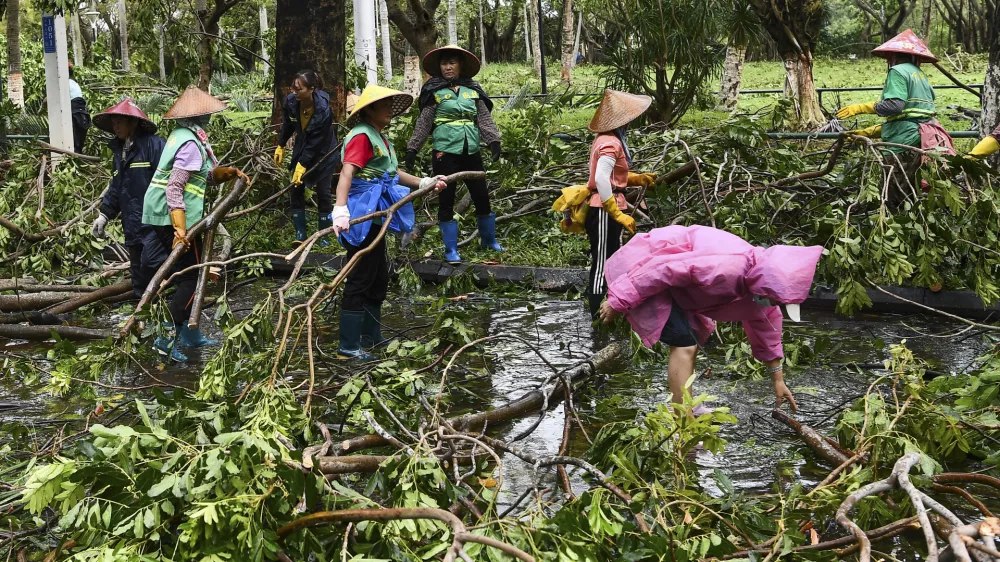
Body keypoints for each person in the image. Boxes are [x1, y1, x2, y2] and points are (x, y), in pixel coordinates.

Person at [598, 225, 823, 413]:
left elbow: (767, 329)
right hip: (644, 268)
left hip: (678, 289)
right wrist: (618, 300)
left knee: (691, 341)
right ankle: (682, 419)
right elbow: (663, 269)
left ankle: (689, 407)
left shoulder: (762, 288)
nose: (774, 305)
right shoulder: (726, 267)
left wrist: (778, 380)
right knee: (684, 344)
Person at [333, 84, 447, 359]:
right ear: (370, 110)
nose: (389, 111)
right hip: (362, 211)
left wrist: (424, 182)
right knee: (361, 275)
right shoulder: (361, 136)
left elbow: (392, 173)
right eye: (384, 106)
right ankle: (348, 346)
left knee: (378, 276)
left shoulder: (379, 138)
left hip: (379, 209)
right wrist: (340, 208)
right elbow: (347, 174)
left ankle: (371, 335)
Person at [137, 86, 248, 362]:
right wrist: (180, 230)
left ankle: (188, 333)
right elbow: (174, 188)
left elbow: (204, 177)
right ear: (200, 116)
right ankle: (167, 338)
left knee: (192, 274)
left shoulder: (183, 136)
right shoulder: (190, 144)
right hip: (172, 216)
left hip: (166, 214)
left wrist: (229, 172)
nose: (210, 117)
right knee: (192, 278)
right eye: (208, 114)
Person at [405, 45, 503, 264]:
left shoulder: (472, 90)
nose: (448, 67)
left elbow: (484, 118)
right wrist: (413, 148)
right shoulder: (434, 91)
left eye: (452, 63)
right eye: (444, 63)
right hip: (445, 151)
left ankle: (489, 241)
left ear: (461, 65)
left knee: (481, 196)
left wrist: (493, 141)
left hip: (472, 150)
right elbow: (424, 123)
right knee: (446, 199)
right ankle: (451, 250)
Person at [835, 29, 954, 204]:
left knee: (894, 195)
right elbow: (912, 117)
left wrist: (861, 107)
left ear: (892, 56)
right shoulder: (920, 75)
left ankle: (899, 225)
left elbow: (895, 107)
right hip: (921, 140)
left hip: (902, 146)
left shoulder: (897, 71)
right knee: (911, 191)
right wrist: (867, 133)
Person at [580, 89, 657, 318]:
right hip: (604, 210)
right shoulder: (611, 143)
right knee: (603, 262)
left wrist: (636, 178)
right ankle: (595, 317)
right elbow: (602, 179)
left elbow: (612, 176)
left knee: (611, 258)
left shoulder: (608, 139)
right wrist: (615, 211)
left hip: (609, 206)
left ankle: (606, 307)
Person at [90, 98, 166, 288]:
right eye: (113, 122)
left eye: (119, 122)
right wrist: (104, 215)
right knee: (138, 272)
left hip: (155, 224)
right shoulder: (119, 151)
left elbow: (169, 182)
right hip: (131, 225)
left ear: (133, 122)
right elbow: (117, 187)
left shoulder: (154, 146)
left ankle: (170, 306)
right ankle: (143, 315)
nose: (115, 127)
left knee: (152, 264)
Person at [275, 69, 340, 245]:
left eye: (299, 89)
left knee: (323, 192)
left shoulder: (322, 110)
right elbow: (288, 124)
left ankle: (324, 235)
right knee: (296, 188)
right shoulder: (291, 102)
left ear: (311, 89)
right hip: (303, 148)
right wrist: (281, 145)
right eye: (293, 88)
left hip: (325, 152)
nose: (294, 92)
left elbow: (316, 142)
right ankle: (300, 234)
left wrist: (302, 164)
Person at [68, 63, 92, 154]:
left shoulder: (63, 84)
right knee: (78, 144)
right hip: (82, 115)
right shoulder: (75, 84)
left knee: (72, 143)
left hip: (74, 114)